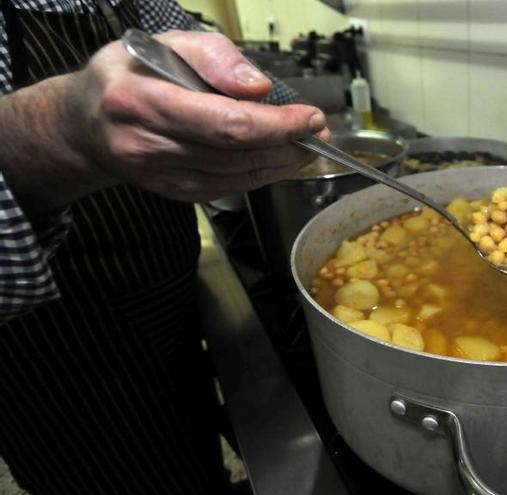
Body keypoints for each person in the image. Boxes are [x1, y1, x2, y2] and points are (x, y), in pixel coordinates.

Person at [0, 1, 328, 494]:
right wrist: (58, 130)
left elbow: (241, 75)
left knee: (193, 455)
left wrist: (298, 118)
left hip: (166, 309)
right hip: (58, 352)